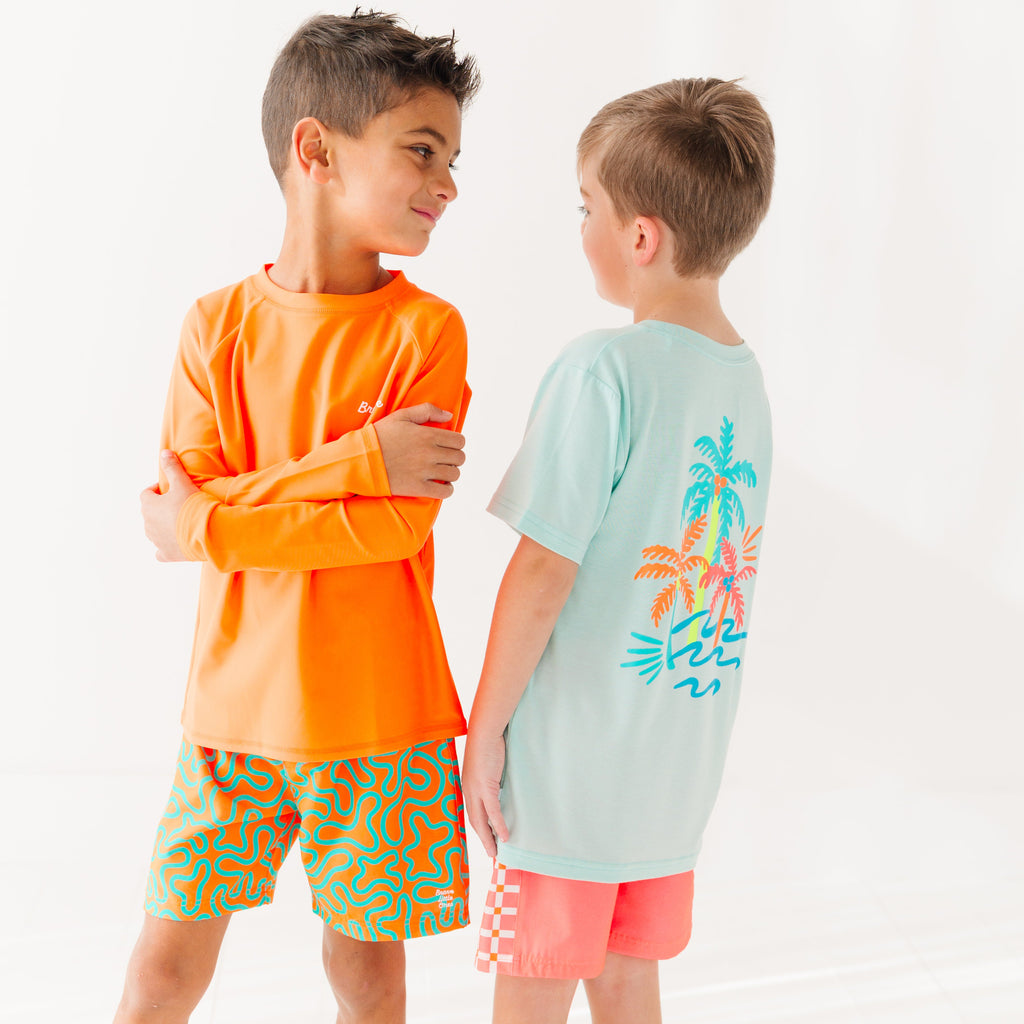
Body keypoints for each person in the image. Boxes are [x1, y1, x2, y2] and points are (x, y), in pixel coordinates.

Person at [114, 12, 480, 1024]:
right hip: (230, 718)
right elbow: (188, 505)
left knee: (368, 978)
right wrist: (359, 460)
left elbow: (390, 531)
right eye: (421, 150)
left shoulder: (426, 331)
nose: (446, 182)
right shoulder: (215, 328)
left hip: (380, 727)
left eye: (451, 157)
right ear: (314, 149)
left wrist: (212, 523)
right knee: (161, 967)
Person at [462, 78, 775, 1024]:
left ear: (641, 237)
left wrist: (485, 731)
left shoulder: (603, 368)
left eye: (586, 206)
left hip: (571, 767)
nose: (582, 226)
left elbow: (544, 569)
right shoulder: (745, 383)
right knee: (630, 978)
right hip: (674, 775)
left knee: (534, 980)